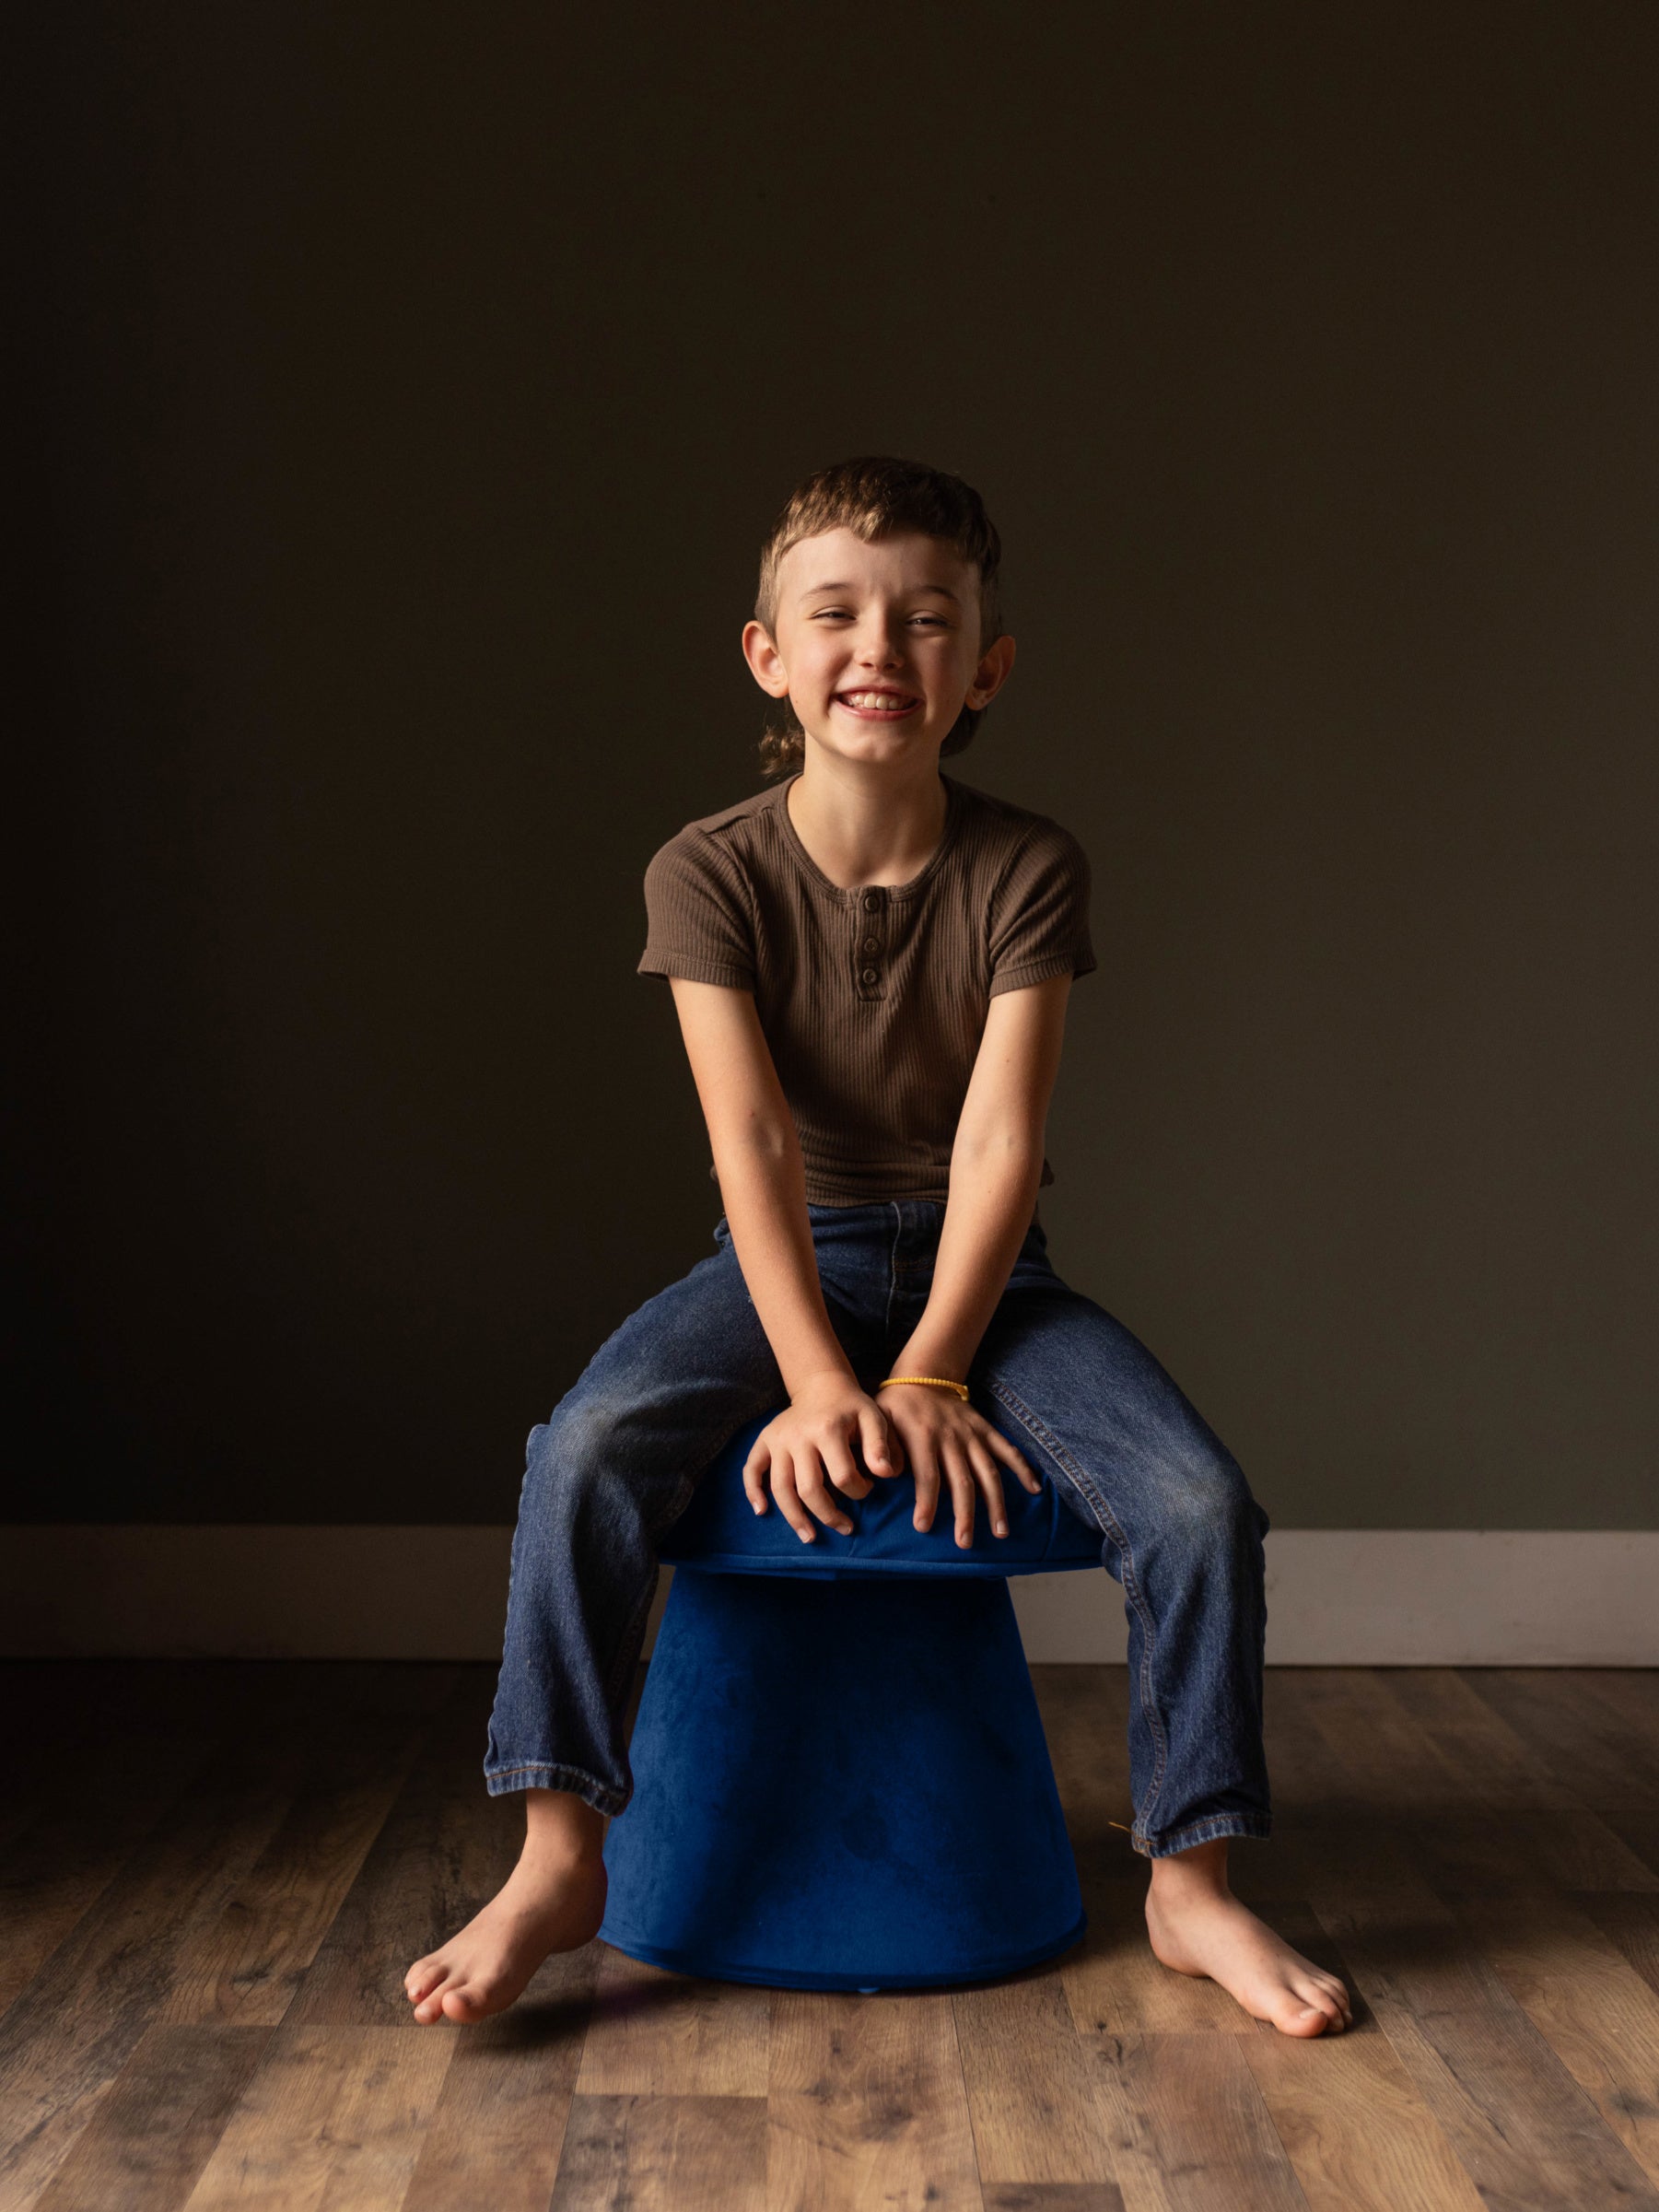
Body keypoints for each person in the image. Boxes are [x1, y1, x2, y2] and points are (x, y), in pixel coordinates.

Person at [404, 455, 1352, 2036]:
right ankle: (558, 1850)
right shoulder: (706, 869)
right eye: (834, 613)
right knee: (582, 1452)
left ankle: (1191, 1885)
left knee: (1196, 1504)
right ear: (769, 656)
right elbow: (754, 1144)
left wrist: (927, 1369)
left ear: (982, 665)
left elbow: (997, 1146)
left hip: (991, 1282)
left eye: (925, 619)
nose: (879, 647)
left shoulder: (1027, 866)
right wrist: (814, 1376)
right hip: (789, 1256)